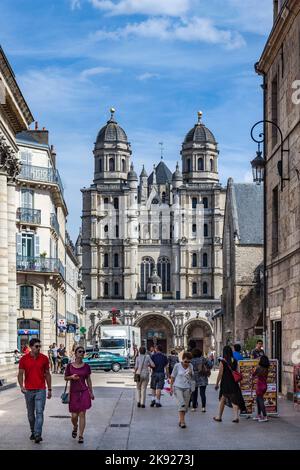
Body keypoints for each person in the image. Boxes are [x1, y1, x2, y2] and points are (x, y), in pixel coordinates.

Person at [18, 338, 52, 443]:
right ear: (31, 347)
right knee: (30, 415)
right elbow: (20, 374)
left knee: (40, 412)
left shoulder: (44, 358)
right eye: (36, 346)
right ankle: (33, 431)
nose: (38, 348)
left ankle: (37, 434)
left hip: (41, 389)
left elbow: (47, 374)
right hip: (28, 390)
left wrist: (49, 388)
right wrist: (21, 386)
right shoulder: (24, 359)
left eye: (39, 346)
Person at [65, 346, 94, 444]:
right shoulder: (70, 366)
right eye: (80, 351)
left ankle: (81, 435)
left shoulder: (86, 366)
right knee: (74, 416)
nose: (82, 353)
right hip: (73, 393)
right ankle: (75, 426)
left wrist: (91, 392)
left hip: (84, 392)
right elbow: (65, 378)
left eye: (83, 352)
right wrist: (71, 377)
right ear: (76, 353)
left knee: (82, 414)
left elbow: (88, 380)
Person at [213, 345, 244, 423]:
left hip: (225, 383)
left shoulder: (223, 361)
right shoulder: (234, 360)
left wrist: (216, 384)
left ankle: (219, 416)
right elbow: (236, 371)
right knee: (234, 399)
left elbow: (220, 374)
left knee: (223, 399)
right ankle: (235, 417)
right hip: (233, 382)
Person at [170, 352, 194, 428]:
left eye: (189, 361)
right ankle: (183, 422)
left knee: (185, 407)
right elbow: (173, 377)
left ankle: (181, 420)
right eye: (186, 361)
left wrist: (190, 370)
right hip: (178, 387)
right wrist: (171, 388)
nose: (187, 363)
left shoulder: (191, 366)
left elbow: (192, 377)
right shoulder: (177, 366)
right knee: (182, 404)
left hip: (187, 388)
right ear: (182, 359)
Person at [252, 355, 270, 422]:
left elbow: (253, 375)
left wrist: (254, 370)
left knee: (260, 401)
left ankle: (265, 416)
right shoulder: (266, 369)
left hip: (259, 386)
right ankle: (259, 415)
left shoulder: (259, 368)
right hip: (264, 385)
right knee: (258, 400)